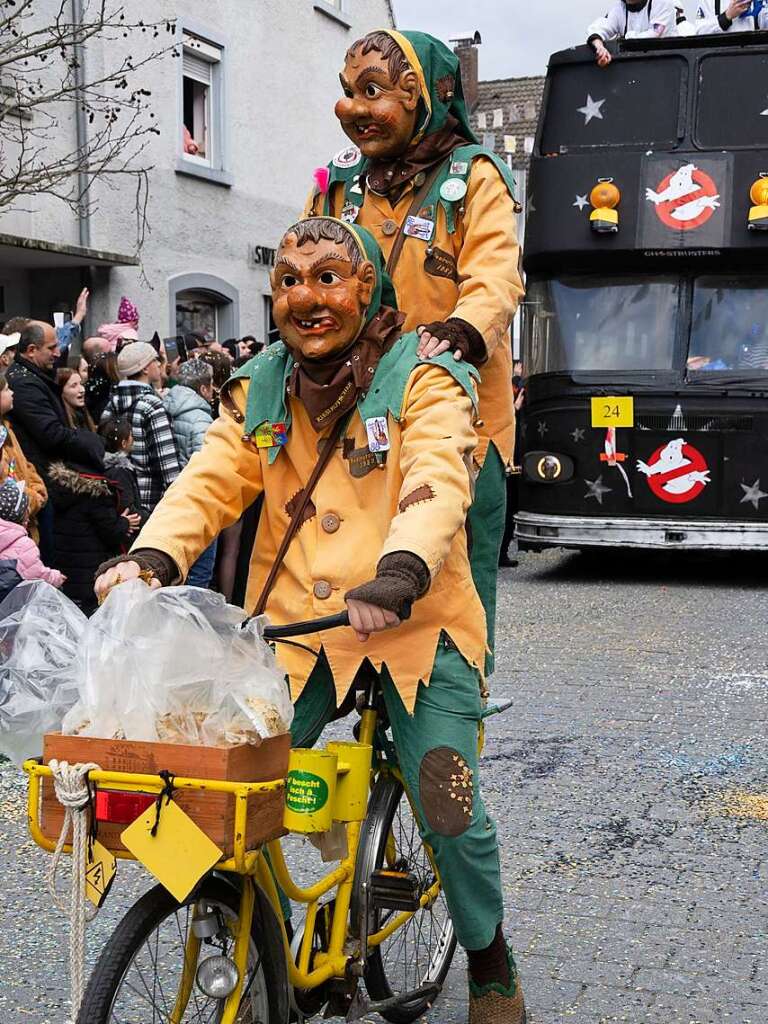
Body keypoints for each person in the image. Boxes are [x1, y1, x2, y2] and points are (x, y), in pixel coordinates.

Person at [95, 217, 526, 1024]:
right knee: (218, 779)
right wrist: (151, 559)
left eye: (328, 278)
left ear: (365, 288)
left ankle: (491, 962)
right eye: (290, 280)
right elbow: (209, 481)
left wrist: (400, 572)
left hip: (415, 626)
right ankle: (251, 932)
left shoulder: (423, 375)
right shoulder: (261, 383)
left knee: (447, 800)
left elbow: (437, 476)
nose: (306, 297)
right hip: (299, 635)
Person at [306, 29, 523, 677]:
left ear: (427, 95)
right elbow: (306, 261)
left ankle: (460, 690)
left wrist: (464, 329)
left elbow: (496, 277)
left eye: (371, 92)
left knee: (458, 561)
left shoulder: (475, 177)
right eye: (347, 94)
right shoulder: (340, 186)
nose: (350, 110)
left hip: (462, 423)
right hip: (356, 417)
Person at [47, 449, 140, 615]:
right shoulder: (97, 493)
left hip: (66, 568)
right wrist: (125, 523)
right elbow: (111, 531)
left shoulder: (58, 487)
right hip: (89, 572)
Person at [100, 341, 181, 512]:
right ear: (145, 368)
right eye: (155, 360)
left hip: (117, 494)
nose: (159, 364)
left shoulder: (112, 403)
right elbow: (168, 464)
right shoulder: (152, 406)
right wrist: (179, 500)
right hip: (150, 499)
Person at [164, 359, 217, 587]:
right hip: (197, 502)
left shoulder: (166, 403)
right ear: (203, 387)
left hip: (173, 499)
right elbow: (209, 465)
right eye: (211, 384)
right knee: (198, 574)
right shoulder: (200, 417)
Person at [0, 372, 48, 539]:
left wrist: (37, 486)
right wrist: (32, 498)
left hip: (25, 522)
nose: (12, 392)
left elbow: (24, 465)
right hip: (10, 528)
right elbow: (4, 484)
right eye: (6, 389)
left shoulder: (6, 428)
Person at [588, 1, 678, 65]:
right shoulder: (619, 8)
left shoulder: (663, 2)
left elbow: (655, 34)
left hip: (666, 64)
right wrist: (600, 48)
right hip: (634, 67)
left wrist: (626, 38)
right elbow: (598, 29)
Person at [99, 417, 148, 523]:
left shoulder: (102, 465)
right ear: (124, 443)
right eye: (131, 436)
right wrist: (149, 517)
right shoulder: (119, 472)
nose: (133, 439)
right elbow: (128, 510)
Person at [57, 367, 97, 432]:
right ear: (61, 391)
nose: (82, 390)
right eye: (74, 386)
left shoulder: (82, 415)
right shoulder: (61, 425)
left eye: (81, 384)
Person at [695, 0, 768, 32]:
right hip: (721, 56)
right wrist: (726, 17)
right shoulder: (708, 1)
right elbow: (700, 31)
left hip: (756, 55)